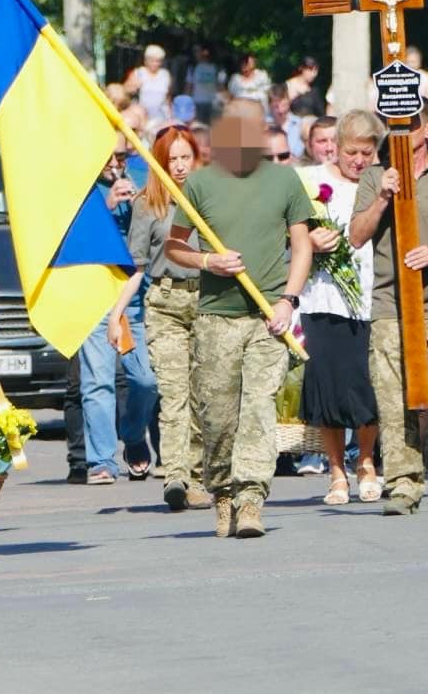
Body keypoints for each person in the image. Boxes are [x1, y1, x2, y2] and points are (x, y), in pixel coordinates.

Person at [164, 99, 314, 539]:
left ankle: (251, 499)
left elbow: (301, 246)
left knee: (258, 409)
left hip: (269, 314)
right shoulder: (201, 183)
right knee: (217, 415)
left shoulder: (285, 180)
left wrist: (289, 299)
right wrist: (208, 261)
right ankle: (223, 492)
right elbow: (175, 246)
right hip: (215, 318)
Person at [348, 101, 428, 515]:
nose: (399, 132)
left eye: (410, 124)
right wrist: (382, 197)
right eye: (393, 125)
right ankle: (403, 482)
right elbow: (356, 236)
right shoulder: (373, 176)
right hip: (389, 305)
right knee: (391, 399)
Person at [110, 125, 212, 510]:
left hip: (205, 301)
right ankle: (175, 476)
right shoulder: (146, 204)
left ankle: (198, 479)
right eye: (173, 159)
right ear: (159, 162)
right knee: (172, 393)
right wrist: (116, 312)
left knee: (201, 394)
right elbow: (136, 267)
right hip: (165, 302)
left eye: (187, 157)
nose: (181, 166)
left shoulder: (209, 199)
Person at [301, 110, 381, 505]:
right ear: (337, 147)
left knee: (366, 385)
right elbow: (290, 229)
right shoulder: (311, 180)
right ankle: (335, 470)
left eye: (367, 152)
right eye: (352, 152)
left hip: (370, 295)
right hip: (322, 297)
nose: (359, 160)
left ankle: (365, 460)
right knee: (328, 386)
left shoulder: (381, 183)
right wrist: (310, 241)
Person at [77, 136, 160, 485]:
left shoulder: (143, 177)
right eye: (107, 156)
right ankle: (101, 461)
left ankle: (133, 432)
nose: (115, 164)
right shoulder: (81, 187)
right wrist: (106, 207)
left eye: (122, 156)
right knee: (97, 381)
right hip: (95, 295)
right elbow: (70, 242)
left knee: (147, 379)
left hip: (136, 299)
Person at [125, 44, 173, 126]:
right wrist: (133, 87)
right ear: (145, 60)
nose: (155, 64)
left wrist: (170, 116)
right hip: (142, 119)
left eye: (158, 61)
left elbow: (168, 97)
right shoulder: (138, 73)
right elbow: (124, 91)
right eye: (152, 60)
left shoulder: (165, 75)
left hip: (162, 118)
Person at [267, 83, 304, 160]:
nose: (281, 110)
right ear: (269, 105)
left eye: (284, 105)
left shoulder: (300, 124)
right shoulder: (263, 126)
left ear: (289, 102)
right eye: (276, 107)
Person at [190, 47, 219, 121]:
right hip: (197, 101)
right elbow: (188, 86)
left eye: (197, 51)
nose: (195, 54)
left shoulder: (215, 67)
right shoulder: (192, 67)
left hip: (212, 102)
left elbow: (220, 85)